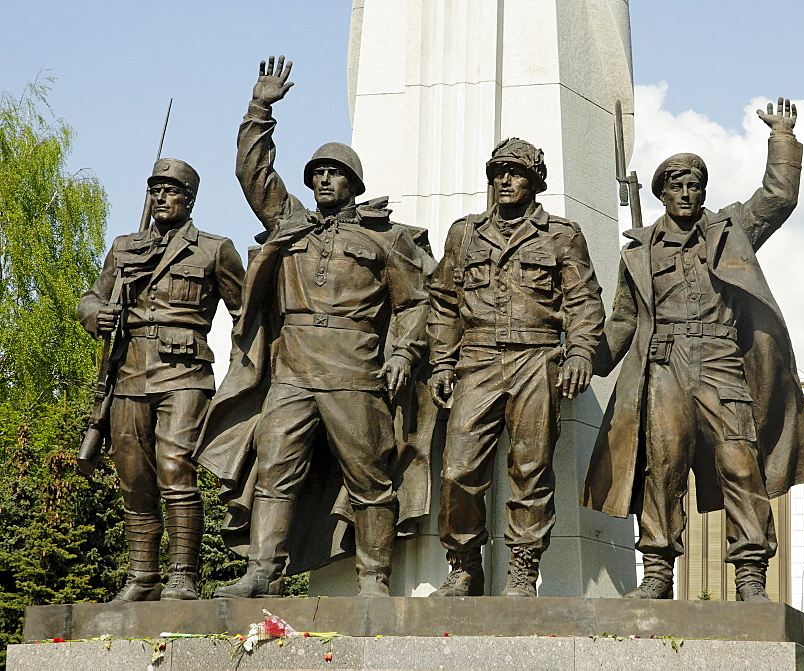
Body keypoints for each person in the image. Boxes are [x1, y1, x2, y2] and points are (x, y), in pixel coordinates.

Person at [196, 56, 428, 598]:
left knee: (369, 476)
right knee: (276, 467)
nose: (324, 179)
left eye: (335, 173)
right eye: (317, 173)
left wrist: (401, 356)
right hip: (294, 367)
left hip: (355, 366)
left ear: (353, 183)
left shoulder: (385, 240)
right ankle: (263, 573)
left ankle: (374, 579)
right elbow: (252, 173)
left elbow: (416, 304)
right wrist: (260, 109)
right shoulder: (290, 223)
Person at [581, 98, 804, 601]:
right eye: (677, 184)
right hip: (663, 364)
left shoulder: (730, 230)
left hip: (719, 360)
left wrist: (782, 138)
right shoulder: (639, 253)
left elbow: (778, 197)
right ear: (662, 193)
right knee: (662, 465)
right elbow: (623, 322)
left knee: (740, 461)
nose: (688, 192)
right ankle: (656, 572)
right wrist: (585, 359)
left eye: (696, 184)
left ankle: (751, 575)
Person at [427, 138, 604, 597]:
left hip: (537, 358)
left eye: (515, 172)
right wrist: (442, 363)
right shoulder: (464, 233)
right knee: (458, 471)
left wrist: (581, 352)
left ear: (535, 181)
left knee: (531, 469)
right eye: (497, 172)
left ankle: (523, 568)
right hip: (477, 360)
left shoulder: (562, 235)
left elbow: (584, 301)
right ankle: (465, 564)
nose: (504, 180)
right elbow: (445, 303)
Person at [78, 159, 244, 601]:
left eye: (170, 190)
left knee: (175, 469)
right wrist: (98, 313)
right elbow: (91, 298)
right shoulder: (123, 247)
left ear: (189, 199)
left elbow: (245, 314)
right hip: (129, 372)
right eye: (154, 190)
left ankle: (183, 576)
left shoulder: (213, 249)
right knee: (134, 478)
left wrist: (246, 375)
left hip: (184, 374)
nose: (160, 197)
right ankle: (142, 577)